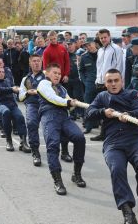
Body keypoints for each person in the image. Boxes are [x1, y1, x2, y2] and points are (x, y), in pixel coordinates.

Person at [86, 69, 138, 224]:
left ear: (122, 81)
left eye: (116, 80)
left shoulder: (133, 94)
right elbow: (89, 113)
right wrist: (103, 112)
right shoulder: (102, 97)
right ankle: (127, 211)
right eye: (109, 81)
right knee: (116, 169)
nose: (113, 84)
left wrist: (129, 115)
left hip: (135, 137)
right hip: (113, 141)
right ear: (105, 84)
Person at [37, 63, 86, 195]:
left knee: (80, 138)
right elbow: (52, 98)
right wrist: (68, 102)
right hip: (49, 116)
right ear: (47, 73)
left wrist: (73, 103)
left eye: (59, 73)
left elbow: (68, 103)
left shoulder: (63, 89)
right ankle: (57, 181)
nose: (58, 75)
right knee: (53, 146)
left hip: (64, 117)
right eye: (55, 73)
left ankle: (76, 174)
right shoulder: (43, 84)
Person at [0, 66, 30, 152]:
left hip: (11, 104)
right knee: (6, 113)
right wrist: (12, 89)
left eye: (3, 72)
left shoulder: (7, 81)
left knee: (20, 117)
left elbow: (15, 89)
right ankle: (9, 141)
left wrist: (21, 90)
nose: (1, 73)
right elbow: (0, 90)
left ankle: (23, 142)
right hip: (0, 104)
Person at [19, 54, 45, 166]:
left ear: (41, 62)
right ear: (30, 63)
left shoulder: (47, 76)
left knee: (56, 126)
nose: (36, 63)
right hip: (32, 104)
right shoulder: (26, 79)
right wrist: (27, 92)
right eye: (34, 61)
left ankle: (64, 150)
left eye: (38, 61)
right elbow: (20, 96)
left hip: (46, 105)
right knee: (31, 123)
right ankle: (35, 152)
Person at [79, 38, 98, 134]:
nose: (88, 47)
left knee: (101, 105)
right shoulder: (84, 56)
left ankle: (100, 125)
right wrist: (85, 81)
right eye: (86, 46)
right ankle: (88, 126)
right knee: (88, 105)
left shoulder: (102, 53)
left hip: (101, 83)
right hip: (89, 83)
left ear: (94, 44)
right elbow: (81, 70)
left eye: (90, 44)